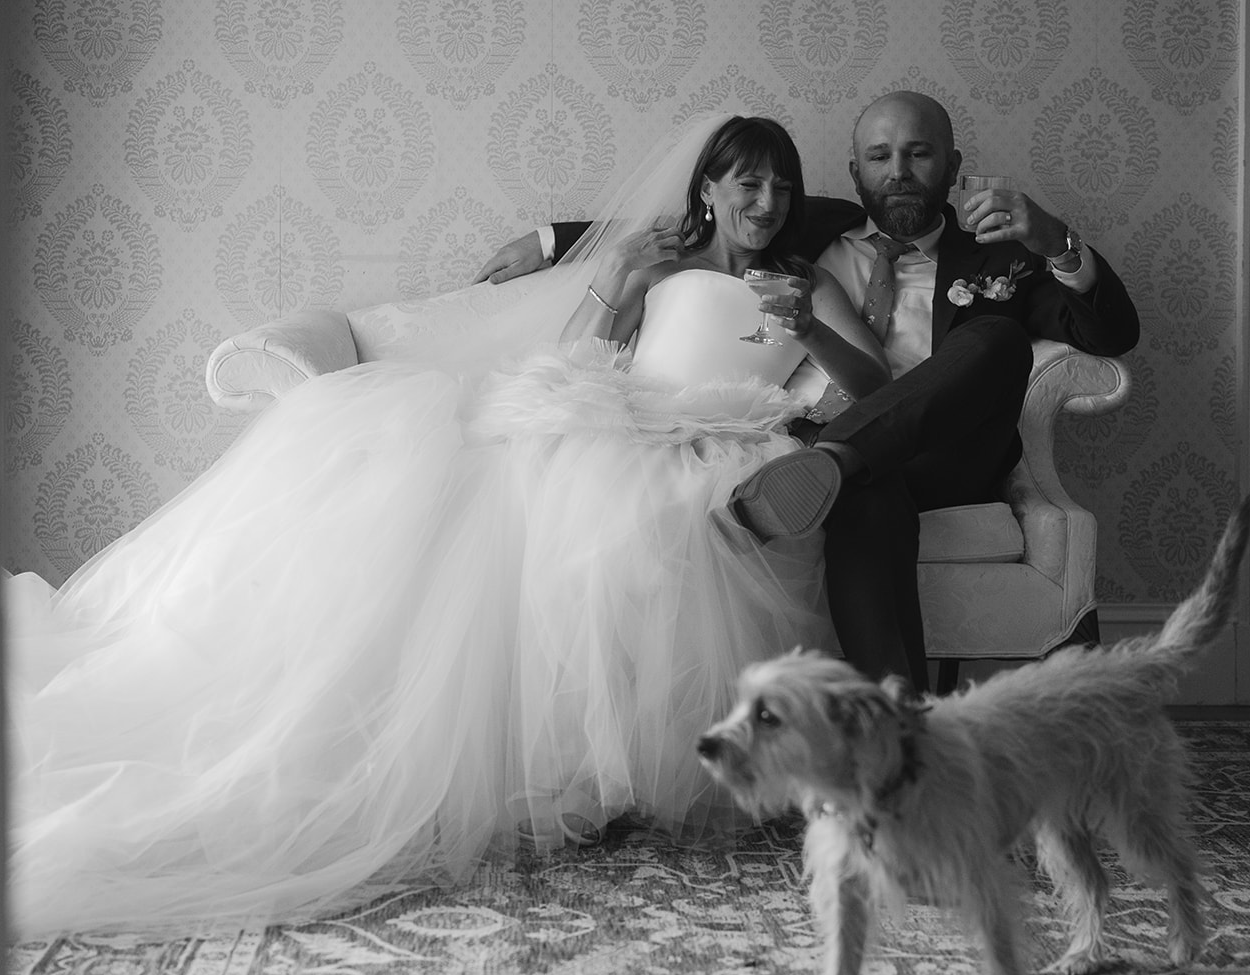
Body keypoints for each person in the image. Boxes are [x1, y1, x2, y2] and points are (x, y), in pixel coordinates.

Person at [5, 115, 889, 938]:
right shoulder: (657, 258)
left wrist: (810, 328)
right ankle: (545, 767)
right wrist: (613, 280)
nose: (767, 204)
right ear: (708, 191)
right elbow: (590, 347)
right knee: (547, 500)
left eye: (782, 188)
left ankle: (610, 769)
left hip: (725, 442)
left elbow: (879, 389)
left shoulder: (807, 284)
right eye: (748, 185)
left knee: (667, 514)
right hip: (623, 417)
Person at [476, 91, 1141, 687]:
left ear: (953, 163)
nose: (899, 171)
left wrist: (1052, 235)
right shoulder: (811, 228)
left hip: (941, 452)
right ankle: (897, 735)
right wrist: (552, 238)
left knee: (998, 339)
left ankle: (835, 461)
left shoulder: (1005, 256)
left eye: (919, 154)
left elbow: (1111, 331)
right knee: (861, 495)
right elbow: (701, 219)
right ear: (856, 173)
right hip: (840, 463)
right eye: (879, 156)